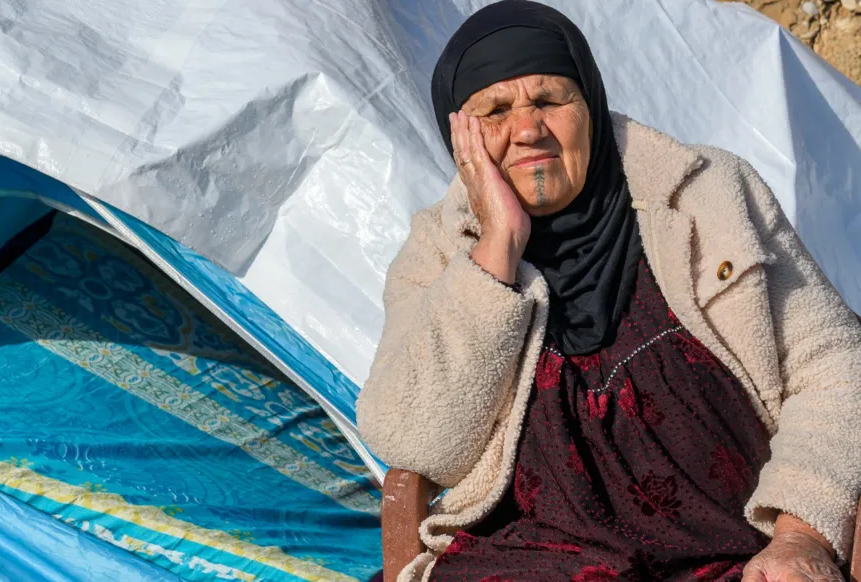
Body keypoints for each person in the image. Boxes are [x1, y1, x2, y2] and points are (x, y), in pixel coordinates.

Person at [356, 2, 861, 581]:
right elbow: (414, 444)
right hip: (527, 562)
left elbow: (838, 365)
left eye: (549, 100)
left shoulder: (706, 197)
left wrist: (800, 532)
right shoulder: (440, 253)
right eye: (496, 111)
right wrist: (496, 251)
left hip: (734, 553)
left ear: (589, 104)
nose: (528, 130)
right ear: (460, 136)